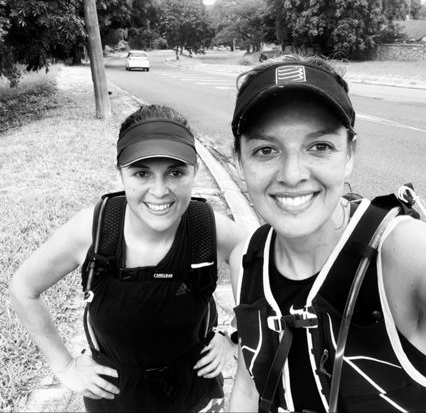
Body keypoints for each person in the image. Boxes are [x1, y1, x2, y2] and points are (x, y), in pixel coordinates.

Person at [227, 55, 426, 412]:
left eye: (320, 146)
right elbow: (247, 387)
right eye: (265, 150)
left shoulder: (413, 258)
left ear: (349, 154)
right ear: (239, 161)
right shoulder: (245, 261)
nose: (292, 174)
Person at [9, 105, 247, 412]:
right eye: (141, 173)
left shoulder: (210, 231)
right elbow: (24, 289)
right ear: (120, 172)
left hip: (194, 393)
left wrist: (233, 336)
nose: (159, 191)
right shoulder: (94, 232)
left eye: (175, 172)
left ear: (194, 171)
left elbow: (259, 270)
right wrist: (65, 367)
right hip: (114, 396)